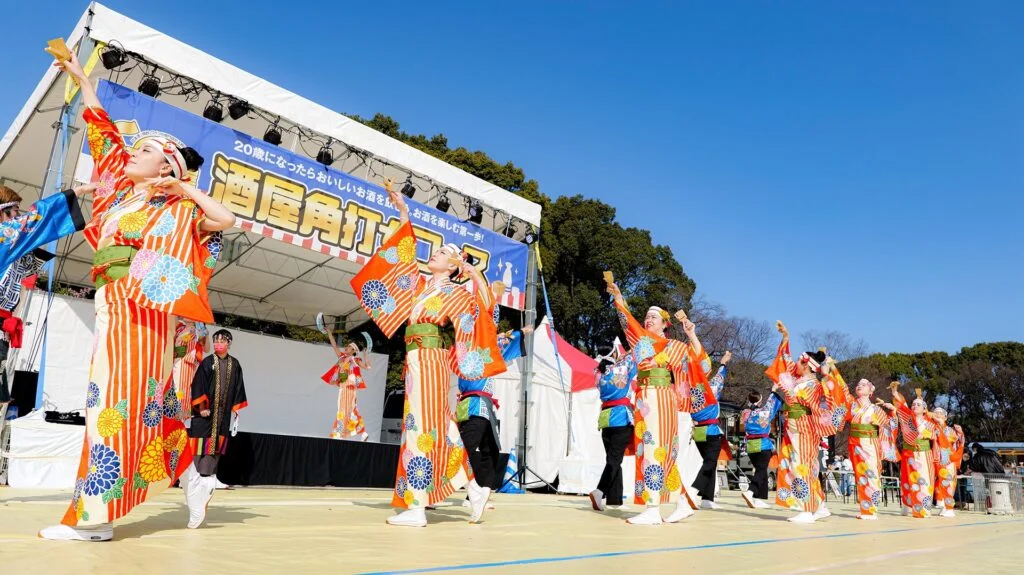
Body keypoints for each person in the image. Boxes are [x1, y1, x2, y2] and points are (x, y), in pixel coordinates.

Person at [40, 52, 235, 542]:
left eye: (144, 150)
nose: (131, 152)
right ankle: (192, 474)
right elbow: (103, 133)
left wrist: (185, 190)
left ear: (166, 165)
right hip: (113, 304)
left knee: (113, 402)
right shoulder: (116, 197)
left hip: (143, 312)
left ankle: (95, 518)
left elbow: (226, 220)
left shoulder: (178, 207)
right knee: (146, 405)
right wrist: (84, 79)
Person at [349, 181, 506, 528]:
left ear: (452, 266)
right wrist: (403, 213)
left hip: (433, 360)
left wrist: (474, 274)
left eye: (442, 253)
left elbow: (484, 310)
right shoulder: (420, 288)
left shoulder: (454, 292)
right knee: (436, 427)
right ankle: (475, 486)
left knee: (422, 425)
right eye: (435, 252)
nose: (434, 254)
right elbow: (402, 259)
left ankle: (418, 506)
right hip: (415, 359)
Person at [606, 281, 710, 525]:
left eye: (654, 317)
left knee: (655, 449)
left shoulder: (674, 346)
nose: (648, 319)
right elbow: (626, 320)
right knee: (655, 451)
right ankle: (683, 503)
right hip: (644, 398)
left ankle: (653, 509)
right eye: (647, 316)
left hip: (661, 396)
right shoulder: (641, 341)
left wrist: (692, 334)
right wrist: (619, 297)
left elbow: (702, 365)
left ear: (665, 323)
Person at [765, 321, 847, 523]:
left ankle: (806, 510)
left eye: (800, 363)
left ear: (807, 365)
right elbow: (785, 364)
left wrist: (787, 388)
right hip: (795, 426)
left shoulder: (813, 385)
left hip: (804, 426)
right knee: (803, 465)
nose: (796, 366)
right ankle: (818, 506)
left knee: (802, 465)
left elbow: (799, 399)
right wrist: (786, 339)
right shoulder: (802, 381)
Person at [0, 184, 69, 404]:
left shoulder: (16, 247)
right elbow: (35, 220)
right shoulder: (6, 235)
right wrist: (75, 194)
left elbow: (30, 265)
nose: (18, 217)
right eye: (14, 213)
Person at [455, 323, 531, 521]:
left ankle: (482, 492)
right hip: (474, 405)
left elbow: (500, 343)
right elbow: (499, 344)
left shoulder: (474, 350)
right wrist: (519, 332)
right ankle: (470, 493)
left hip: (484, 406)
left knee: (491, 451)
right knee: (464, 450)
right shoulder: (474, 351)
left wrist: (516, 333)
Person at [184, 329, 247, 528]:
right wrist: (201, 407)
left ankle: (207, 483)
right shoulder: (206, 362)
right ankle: (197, 487)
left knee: (214, 448)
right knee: (198, 449)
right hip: (205, 415)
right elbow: (198, 385)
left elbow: (238, 387)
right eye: (216, 339)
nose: (219, 342)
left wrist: (236, 409)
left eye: (222, 340)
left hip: (222, 416)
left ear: (229, 343)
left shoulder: (234, 364)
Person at [589, 342, 638, 512]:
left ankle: (615, 500)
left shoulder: (598, 372)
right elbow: (637, 357)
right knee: (615, 460)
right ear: (615, 353)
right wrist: (630, 352)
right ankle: (599, 491)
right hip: (620, 417)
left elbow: (614, 365)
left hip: (606, 418)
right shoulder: (622, 368)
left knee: (613, 459)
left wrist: (620, 358)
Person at [845, 379, 896, 520]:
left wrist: (892, 413)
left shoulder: (876, 409)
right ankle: (865, 509)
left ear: (871, 390)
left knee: (871, 474)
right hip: (855, 443)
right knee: (861, 476)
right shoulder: (852, 404)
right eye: (858, 384)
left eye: (863, 384)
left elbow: (888, 427)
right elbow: (841, 392)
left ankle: (872, 510)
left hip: (870, 443)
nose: (859, 386)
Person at [886, 385, 941, 518]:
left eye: (918, 404)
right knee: (907, 480)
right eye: (913, 404)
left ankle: (924, 508)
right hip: (909, 453)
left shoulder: (930, 423)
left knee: (924, 480)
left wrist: (926, 433)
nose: (914, 406)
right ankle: (906, 505)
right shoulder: (906, 417)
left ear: (924, 409)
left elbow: (938, 434)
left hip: (923, 453)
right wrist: (894, 392)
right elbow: (902, 404)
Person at [689, 350, 732, 510]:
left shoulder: (689, 388)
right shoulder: (711, 386)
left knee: (709, 464)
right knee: (710, 462)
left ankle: (707, 498)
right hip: (712, 430)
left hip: (698, 430)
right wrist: (723, 362)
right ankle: (694, 491)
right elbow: (721, 375)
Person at [322, 329, 370, 441]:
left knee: (345, 410)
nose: (346, 348)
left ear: (353, 350)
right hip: (343, 387)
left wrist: (365, 355)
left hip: (350, 387)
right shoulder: (342, 358)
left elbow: (368, 367)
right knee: (350, 410)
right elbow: (334, 345)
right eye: (347, 346)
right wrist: (329, 333)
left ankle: (341, 434)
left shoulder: (355, 360)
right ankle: (361, 432)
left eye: (349, 347)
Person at [740, 385, 783, 509]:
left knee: (761, 470)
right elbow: (771, 402)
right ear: (759, 401)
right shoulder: (764, 411)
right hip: (763, 444)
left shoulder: (745, 413)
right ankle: (750, 491)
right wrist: (773, 390)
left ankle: (759, 499)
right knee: (761, 470)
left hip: (750, 445)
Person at [931, 408, 965, 517]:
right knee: (939, 483)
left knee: (948, 482)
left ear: (945, 417)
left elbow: (956, 440)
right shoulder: (932, 426)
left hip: (947, 456)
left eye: (940, 414)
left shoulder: (950, 430)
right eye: (935, 413)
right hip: (935, 456)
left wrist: (960, 432)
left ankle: (949, 507)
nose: (937, 414)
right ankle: (943, 505)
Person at [172, 319, 208, 418]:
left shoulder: (198, 330)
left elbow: (206, 348)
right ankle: (176, 413)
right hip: (179, 361)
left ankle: (182, 415)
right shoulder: (179, 326)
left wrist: (203, 332)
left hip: (190, 362)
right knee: (177, 387)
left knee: (186, 389)